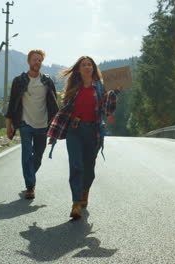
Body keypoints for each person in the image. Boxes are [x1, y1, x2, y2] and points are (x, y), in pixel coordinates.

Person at [47, 56, 123, 219]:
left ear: (94, 69)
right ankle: (76, 202)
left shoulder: (101, 88)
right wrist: (54, 133)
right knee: (76, 166)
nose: (87, 67)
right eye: (84, 65)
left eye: (90, 65)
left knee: (89, 169)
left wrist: (115, 92)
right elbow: (64, 111)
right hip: (74, 131)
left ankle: (84, 191)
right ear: (79, 69)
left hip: (93, 132)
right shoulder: (73, 88)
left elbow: (108, 110)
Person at [5, 49, 59, 200]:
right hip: (25, 123)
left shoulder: (47, 81)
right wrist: (9, 127)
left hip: (42, 124)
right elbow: (12, 106)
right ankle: (30, 186)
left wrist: (55, 129)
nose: (37, 62)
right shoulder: (19, 81)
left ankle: (30, 175)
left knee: (38, 156)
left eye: (40, 60)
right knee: (27, 153)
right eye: (34, 59)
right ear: (29, 61)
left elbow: (54, 106)